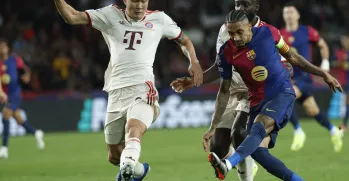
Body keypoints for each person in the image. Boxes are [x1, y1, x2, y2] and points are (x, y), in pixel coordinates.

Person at [54, 0, 203, 180]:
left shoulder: (159, 19)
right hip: (116, 91)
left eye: (144, 1)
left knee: (133, 128)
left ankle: (126, 170)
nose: (140, 5)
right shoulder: (110, 15)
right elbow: (72, 16)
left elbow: (184, 40)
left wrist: (194, 61)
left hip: (143, 89)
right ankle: (137, 170)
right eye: (135, 1)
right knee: (114, 155)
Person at [208, 10, 342, 181]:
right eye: (231, 33)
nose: (235, 37)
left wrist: (322, 73)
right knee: (257, 151)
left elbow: (292, 56)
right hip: (256, 102)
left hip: (282, 93)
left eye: (239, 32)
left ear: (249, 27)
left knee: (259, 126)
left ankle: (227, 164)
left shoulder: (268, 33)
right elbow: (224, 90)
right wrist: (213, 125)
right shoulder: (226, 52)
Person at [170, 1, 291, 180]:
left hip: (255, 92)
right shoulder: (225, 30)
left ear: (255, 7)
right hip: (231, 90)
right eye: (237, 3)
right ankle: (245, 161)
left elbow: (287, 64)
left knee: (239, 132)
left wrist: (286, 72)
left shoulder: (267, 33)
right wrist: (195, 80)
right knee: (218, 148)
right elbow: (220, 67)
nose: (240, 7)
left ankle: (245, 173)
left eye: (245, 3)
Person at [280, 3, 343, 152]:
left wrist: (326, 63)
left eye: (291, 12)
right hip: (287, 76)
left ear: (298, 15)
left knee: (284, 98)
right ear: (283, 16)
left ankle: (298, 131)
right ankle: (335, 131)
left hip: (303, 77)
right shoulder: (279, 34)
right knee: (312, 110)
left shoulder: (307, 31)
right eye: (286, 12)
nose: (289, 15)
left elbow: (323, 46)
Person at [0, 38, 45, 159]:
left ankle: (4, 148)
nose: (2, 49)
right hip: (6, 94)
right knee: (19, 120)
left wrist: (27, 76)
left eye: (3, 46)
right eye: (0, 47)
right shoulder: (0, 63)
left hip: (15, 93)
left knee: (5, 115)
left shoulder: (14, 59)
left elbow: (26, 69)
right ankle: (36, 134)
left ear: (7, 48)